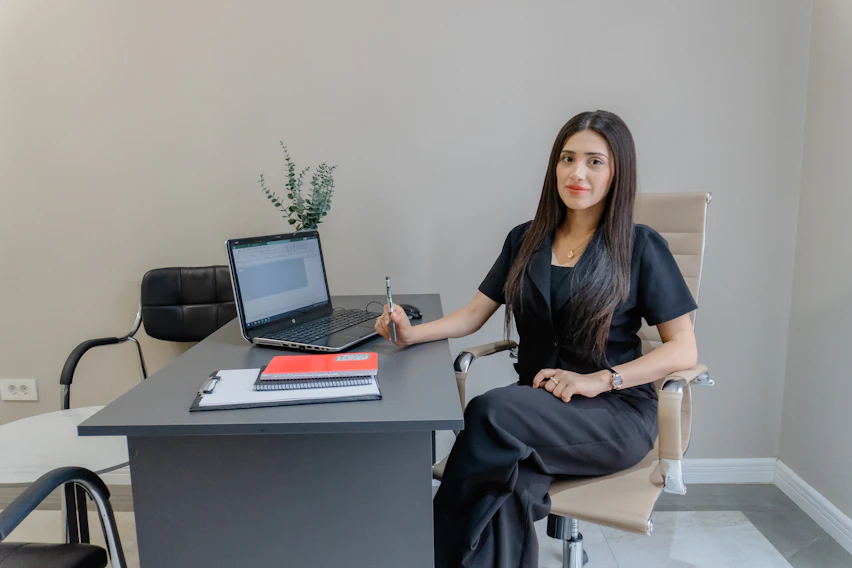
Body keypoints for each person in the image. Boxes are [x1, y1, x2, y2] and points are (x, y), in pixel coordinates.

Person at [374, 110, 698, 568]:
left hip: (613, 412)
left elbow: (684, 347)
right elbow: (473, 314)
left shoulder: (641, 246)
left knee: (488, 411)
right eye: (567, 159)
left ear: (618, 171)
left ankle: (420, 554)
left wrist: (600, 380)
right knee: (508, 488)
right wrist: (409, 334)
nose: (577, 173)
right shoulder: (525, 239)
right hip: (537, 410)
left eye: (594, 161)